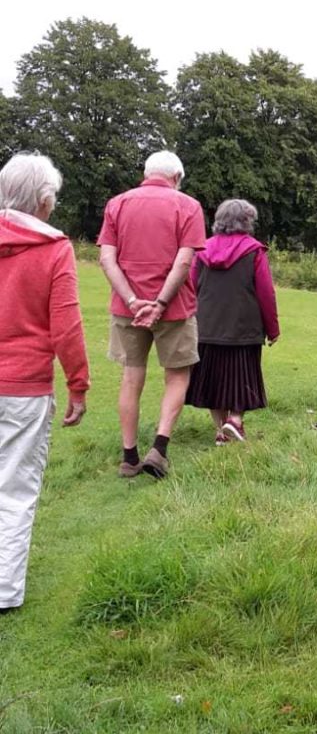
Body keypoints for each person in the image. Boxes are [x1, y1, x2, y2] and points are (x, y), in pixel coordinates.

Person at [0, 153, 89, 613]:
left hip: (20, 380)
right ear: (42, 200)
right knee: (14, 488)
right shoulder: (54, 248)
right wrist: (78, 384)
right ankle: (3, 590)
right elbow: (66, 325)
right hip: (24, 386)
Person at [98, 151, 206, 479]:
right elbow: (184, 262)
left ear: (147, 173)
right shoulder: (188, 206)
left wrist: (132, 301)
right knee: (177, 375)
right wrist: (159, 303)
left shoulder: (117, 204)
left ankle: (129, 456)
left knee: (132, 377)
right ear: (177, 177)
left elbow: (106, 260)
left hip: (126, 309)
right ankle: (159, 447)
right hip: (174, 308)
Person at [185, 199, 279, 444]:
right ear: (246, 221)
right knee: (242, 377)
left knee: (212, 380)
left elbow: (190, 286)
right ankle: (235, 420)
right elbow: (266, 293)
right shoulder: (254, 251)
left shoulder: (202, 249)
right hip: (244, 329)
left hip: (207, 327)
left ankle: (221, 431)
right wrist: (273, 329)